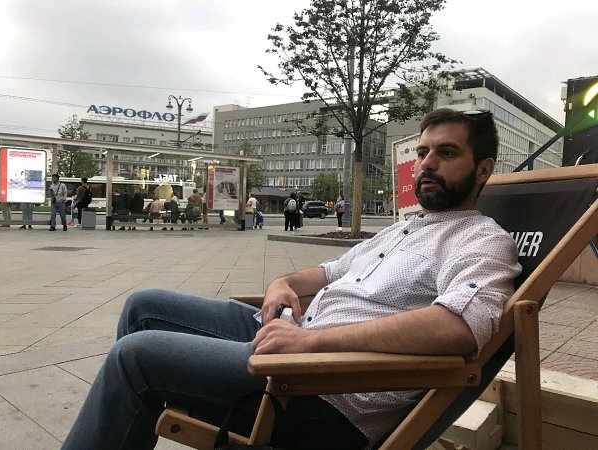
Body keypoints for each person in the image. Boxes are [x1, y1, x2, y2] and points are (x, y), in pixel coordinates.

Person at [62, 109, 522, 450]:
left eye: (446, 153)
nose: (426, 163)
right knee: (143, 306)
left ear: (483, 169)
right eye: (422, 152)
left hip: (321, 390)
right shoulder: (404, 228)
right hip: (294, 345)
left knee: (135, 358)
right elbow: (327, 272)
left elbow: (457, 326)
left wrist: (311, 343)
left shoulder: (482, 240)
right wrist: (281, 284)